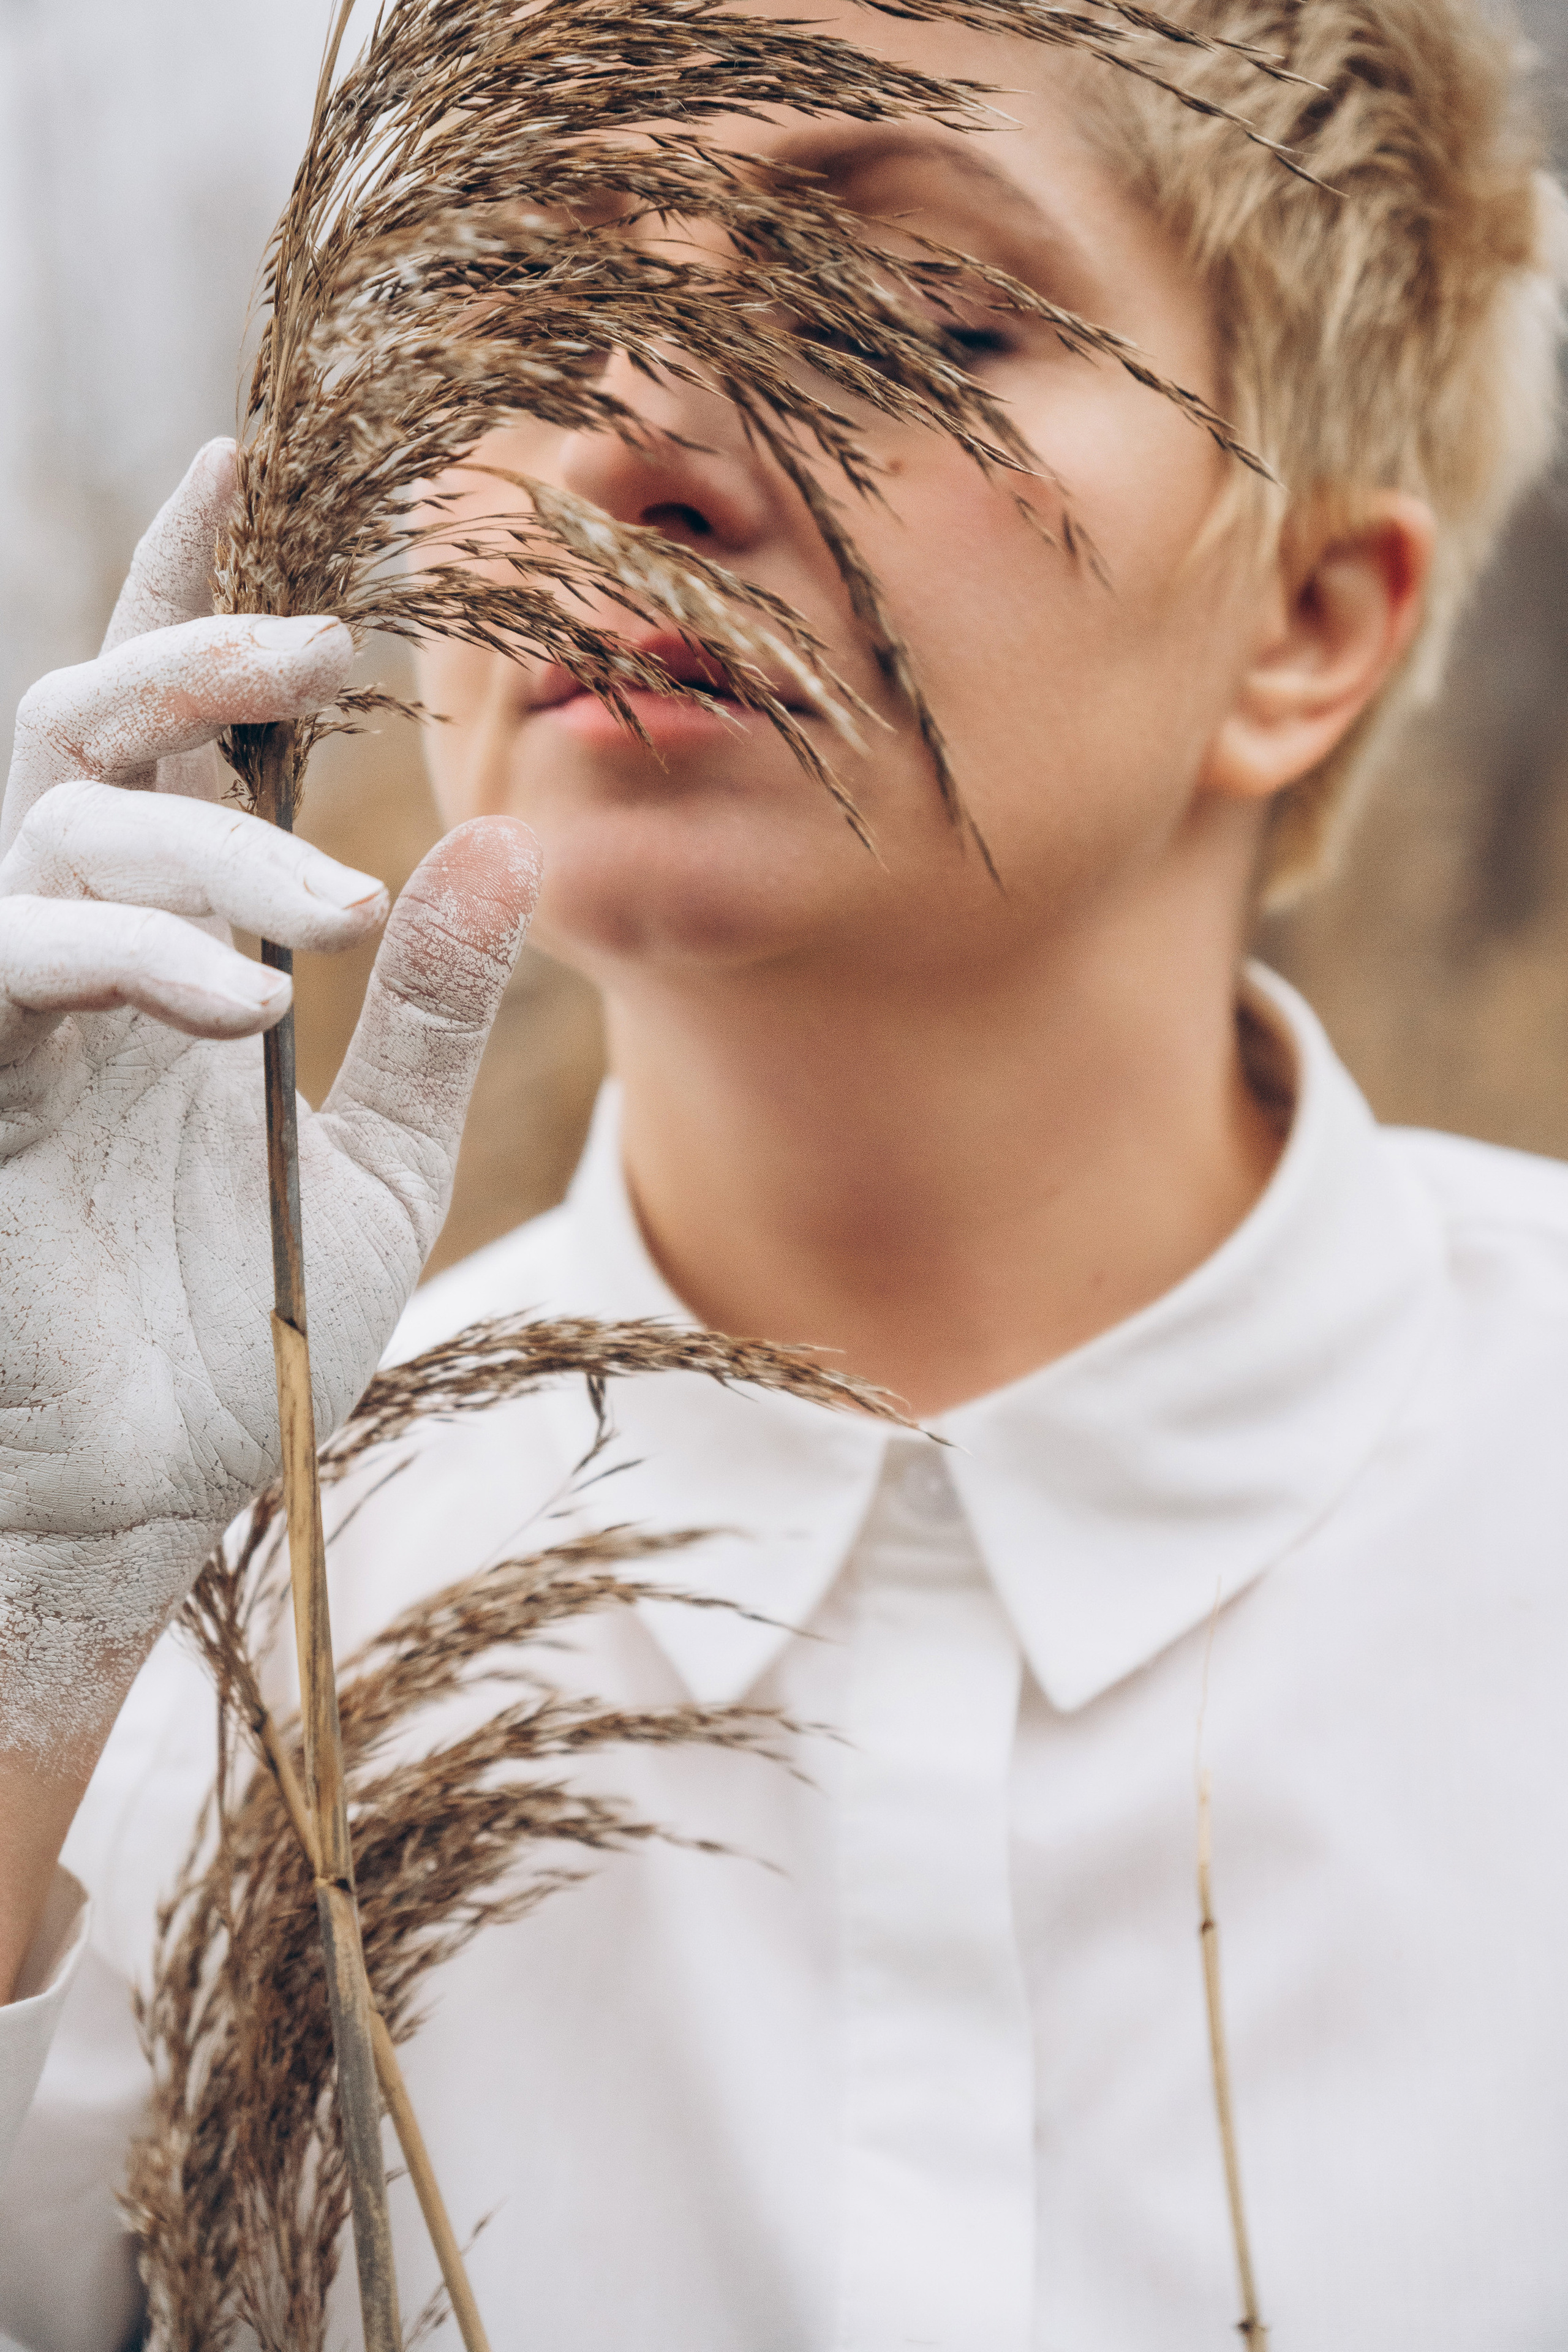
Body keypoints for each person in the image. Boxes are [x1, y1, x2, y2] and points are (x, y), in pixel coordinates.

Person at [1, 1, 1565, 2343]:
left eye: (904, 317)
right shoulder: (192, 1617)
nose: (636, 439)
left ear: (1309, 622)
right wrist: (28, 1629)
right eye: (529, 303)